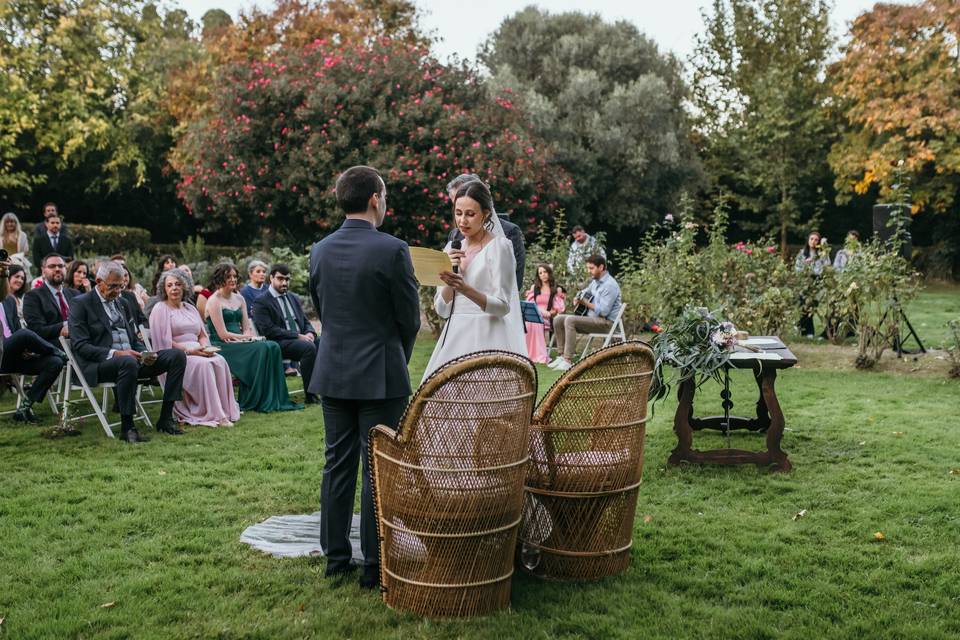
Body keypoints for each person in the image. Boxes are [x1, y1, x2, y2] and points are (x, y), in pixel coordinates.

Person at [308, 165, 420, 589]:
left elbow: (322, 308)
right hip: (380, 373)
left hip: (333, 371)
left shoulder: (319, 249)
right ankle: (375, 565)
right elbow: (408, 318)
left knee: (337, 464)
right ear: (375, 198)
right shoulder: (393, 249)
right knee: (378, 468)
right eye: (386, 195)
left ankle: (336, 558)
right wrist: (396, 356)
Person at [69, 261, 188, 442]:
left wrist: (145, 353)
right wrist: (117, 354)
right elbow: (80, 346)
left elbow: (133, 338)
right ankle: (127, 427)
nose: (117, 291)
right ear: (99, 281)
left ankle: (166, 418)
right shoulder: (81, 304)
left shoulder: (122, 302)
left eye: (120, 286)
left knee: (176, 356)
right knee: (128, 362)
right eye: (113, 286)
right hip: (99, 365)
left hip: (130, 361)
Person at [422, 179, 526, 381]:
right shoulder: (451, 248)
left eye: (470, 214)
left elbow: (503, 306)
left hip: (488, 336)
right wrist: (451, 282)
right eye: (458, 213)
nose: (462, 221)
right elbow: (442, 310)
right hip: (455, 337)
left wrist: (465, 288)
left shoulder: (499, 247)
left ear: (486, 213)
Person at [204, 262, 302, 413]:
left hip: (241, 341)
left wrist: (249, 337)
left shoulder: (239, 298)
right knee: (263, 347)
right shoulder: (214, 301)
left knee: (272, 346)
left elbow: (246, 326)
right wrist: (246, 338)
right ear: (219, 279)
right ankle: (255, 399)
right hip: (223, 344)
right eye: (228, 276)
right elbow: (223, 334)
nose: (233, 279)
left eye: (235, 276)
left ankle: (273, 398)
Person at [148, 269, 240, 427]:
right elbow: (164, 342)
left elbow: (202, 335)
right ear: (164, 289)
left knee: (220, 361)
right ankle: (214, 414)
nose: (174, 288)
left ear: (185, 287)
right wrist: (190, 351)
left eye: (178, 284)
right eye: (169, 285)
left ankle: (224, 409)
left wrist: (205, 348)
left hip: (199, 350)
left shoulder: (190, 308)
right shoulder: (160, 309)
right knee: (203, 365)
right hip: (179, 357)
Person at [0, 260, 68, 424]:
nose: (20, 281)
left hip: (13, 355)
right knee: (25, 334)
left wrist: (24, 348)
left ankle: (24, 408)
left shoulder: (9, 301)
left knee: (55, 362)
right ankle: (56, 350)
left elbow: (15, 330)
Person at [445, 173, 526, 291]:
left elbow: (514, 282)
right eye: (456, 206)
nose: (462, 220)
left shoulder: (509, 232)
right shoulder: (454, 236)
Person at [252, 263, 319, 404]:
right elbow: (268, 330)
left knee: (323, 342)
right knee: (309, 348)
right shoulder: (262, 301)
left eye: (287, 279)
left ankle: (329, 389)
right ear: (271, 278)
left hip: (299, 339)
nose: (284, 283)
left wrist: (310, 332)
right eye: (280, 278)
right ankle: (311, 396)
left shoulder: (293, 297)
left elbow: (304, 321)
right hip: (278, 342)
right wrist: (297, 336)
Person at [548, 255, 622, 372]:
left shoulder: (610, 285)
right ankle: (561, 355)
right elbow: (584, 292)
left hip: (606, 324)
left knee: (570, 320)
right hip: (592, 320)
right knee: (558, 319)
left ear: (601, 267)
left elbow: (603, 312)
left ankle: (567, 360)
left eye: (591, 268)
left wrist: (586, 303)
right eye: (588, 268)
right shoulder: (595, 282)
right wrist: (577, 298)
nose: (589, 271)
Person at [23, 254, 77, 342]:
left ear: (65, 269)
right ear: (43, 271)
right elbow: (36, 330)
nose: (57, 269)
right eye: (52, 266)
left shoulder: (75, 294)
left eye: (60, 266)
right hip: (53, 347)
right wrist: (64, 325)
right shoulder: (33, 297)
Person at [524, 263, 566, 364]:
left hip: (547, 317)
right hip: (535, 315)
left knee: (537, 322)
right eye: (540, 273)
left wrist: (548, 313)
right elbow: (529, 303)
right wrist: (538, 311)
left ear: (549, 273)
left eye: (545, 272)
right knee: (529, 322)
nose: (543, 274)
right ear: (538, 275)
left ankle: (539, 354)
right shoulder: (535, 287)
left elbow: (557, 309)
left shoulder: (555, 289)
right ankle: (528, 353)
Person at [794, 231, 830, 337]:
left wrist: (824, 250)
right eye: (812, 239)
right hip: (805, 281)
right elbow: (797, 268)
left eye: (816, 240)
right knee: (804, 306)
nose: (813, 241)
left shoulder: (821, 253)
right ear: (808, 240)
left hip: (817, 281)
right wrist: (805, 265)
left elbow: (827, 265)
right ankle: (808, 332)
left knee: (812, 306)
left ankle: (800, 326)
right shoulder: (802, 253)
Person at [3, 264, 27, 332]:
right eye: (17, 276)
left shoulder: (21, 299)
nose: (20, 280)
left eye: (22, 278)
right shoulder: (2, 299)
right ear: (8, 276)